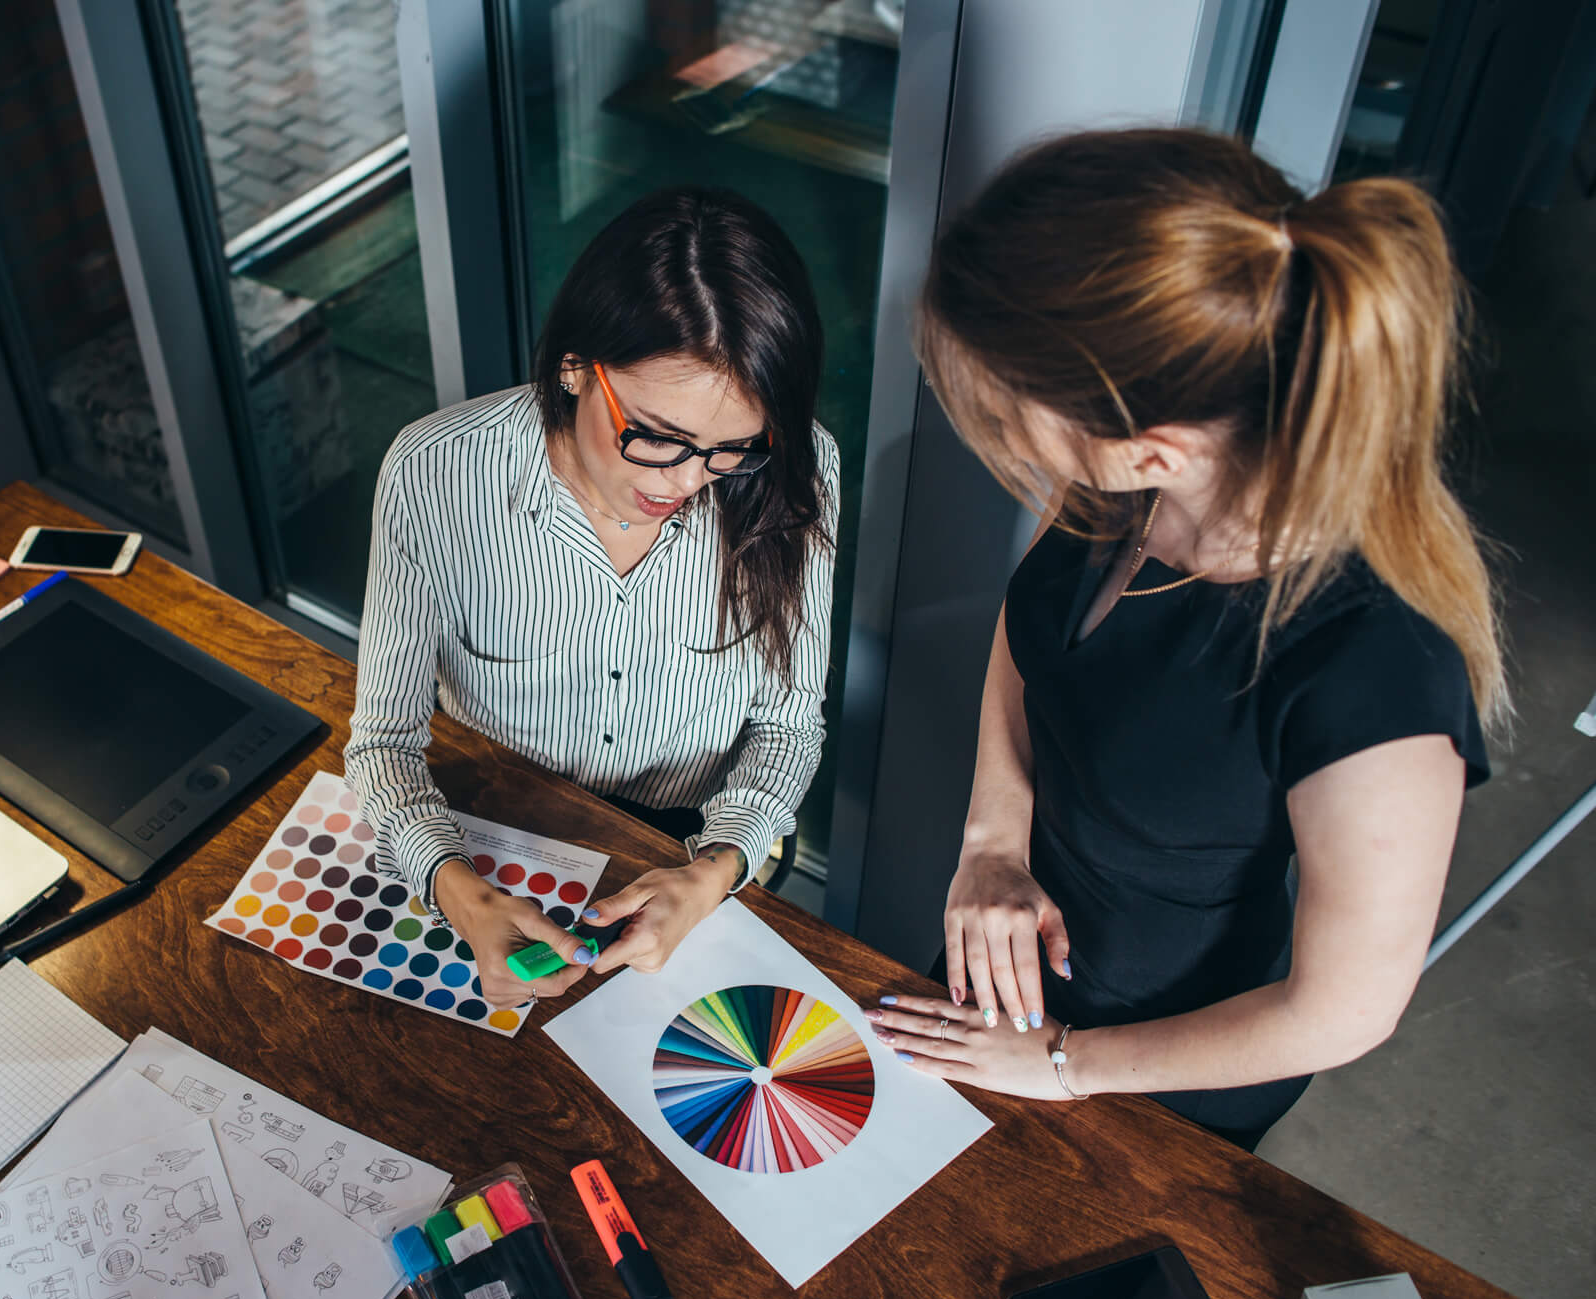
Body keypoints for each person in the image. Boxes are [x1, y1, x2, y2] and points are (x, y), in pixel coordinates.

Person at [866, 127, 1501, 1151]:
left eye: (1004, 410)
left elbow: (1342, 1010)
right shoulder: (1123, 485)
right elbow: (1033, 643)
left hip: (1164, 1066)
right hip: (1007, 978)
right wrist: (992, 841)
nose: (995, 434)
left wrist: (1065, 1065)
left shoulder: (1377, 677)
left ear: (1147, 442)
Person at [346, 187, 839, 1008]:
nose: (687, 481)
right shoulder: (435, 472)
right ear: (575, 366)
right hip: (489, 829)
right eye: (656, 437)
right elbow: (384, 741)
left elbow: (788, 723)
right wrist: (456, 892)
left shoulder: (799, 469)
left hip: (690, 840)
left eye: (731, 450)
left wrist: (714, 871)